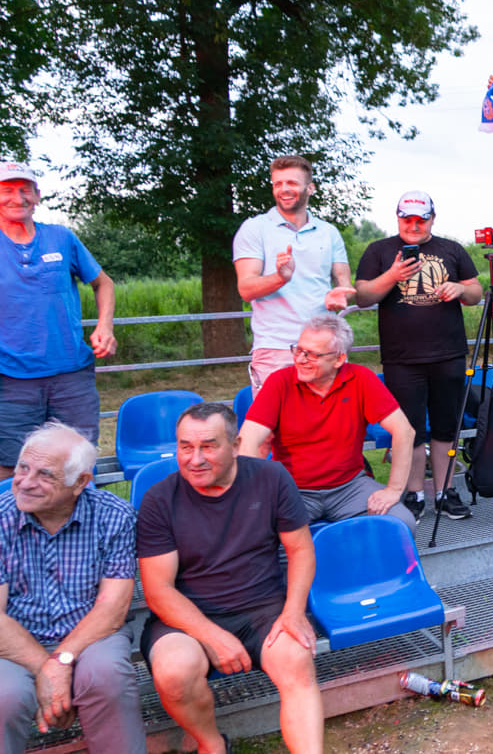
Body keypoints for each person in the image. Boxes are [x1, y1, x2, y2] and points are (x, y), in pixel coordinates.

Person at [139, 402, 321, 754]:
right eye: (185, 447)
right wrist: (212, 636)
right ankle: (212, 745)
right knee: (174, 673)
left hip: (263, 609)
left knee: (297, 661)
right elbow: (158, 590)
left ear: (236, 445)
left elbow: (300, 550)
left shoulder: (271, 478)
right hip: (187, 618)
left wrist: (294, 611)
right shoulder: (159, 499)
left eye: (208, 446)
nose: (195, 459)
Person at [0, 423, 140, 752]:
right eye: (23, 468)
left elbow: (112, 608)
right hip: (14, 640)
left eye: (44, 475)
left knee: (107, 677)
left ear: (80, 482)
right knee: (5, 695)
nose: (25, 482)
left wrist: (61, 660)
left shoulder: (114, 516)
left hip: (93, 635)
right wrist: (48, 669)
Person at [353, 191, 482, 522]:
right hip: (402, 358)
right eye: (407, 219)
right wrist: (392, 276)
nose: (413, 226)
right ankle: (413, 493)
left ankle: (445, 492)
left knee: (446, 427)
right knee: (407, 429)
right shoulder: (379, 250)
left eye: (421, 220)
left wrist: (460, 289)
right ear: (397, 218)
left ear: (432, 218)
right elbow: (362, 296)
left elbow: (476, 292)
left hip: (448, 354)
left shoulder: (451, 249)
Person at [238, 315, 417, 531]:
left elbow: (404, 431)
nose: (300, 359)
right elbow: (248, 440)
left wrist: (393, 490)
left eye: (312, 354)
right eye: (298, 350)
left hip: (349, 487)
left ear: (339, 359)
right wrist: (254, 491)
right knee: (257, 531)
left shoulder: (361, 378)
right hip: (293, 489)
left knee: (402, 523)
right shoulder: (279, 382)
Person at [0, 163, 117, 479]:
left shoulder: (61, 238)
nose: (18, 198)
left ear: (37, 195)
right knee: (12, 469)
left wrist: (104, 326)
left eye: (25, 190)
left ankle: (85, 514)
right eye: (7, 190)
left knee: (78, 464)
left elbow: (103, 283)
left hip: (71, 377)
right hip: (10, 380)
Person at [234, 155, 356, 392]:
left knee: (331, 414)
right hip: (276, 348)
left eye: (291, 183)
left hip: (325, 347)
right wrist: (281, 278)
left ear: (310, 188)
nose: (284, 189)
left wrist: (341, 296)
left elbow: (345, 287)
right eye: (277, 184)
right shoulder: (254, 228)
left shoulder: (329, 232)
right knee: (276, 416)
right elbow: (246, 289)